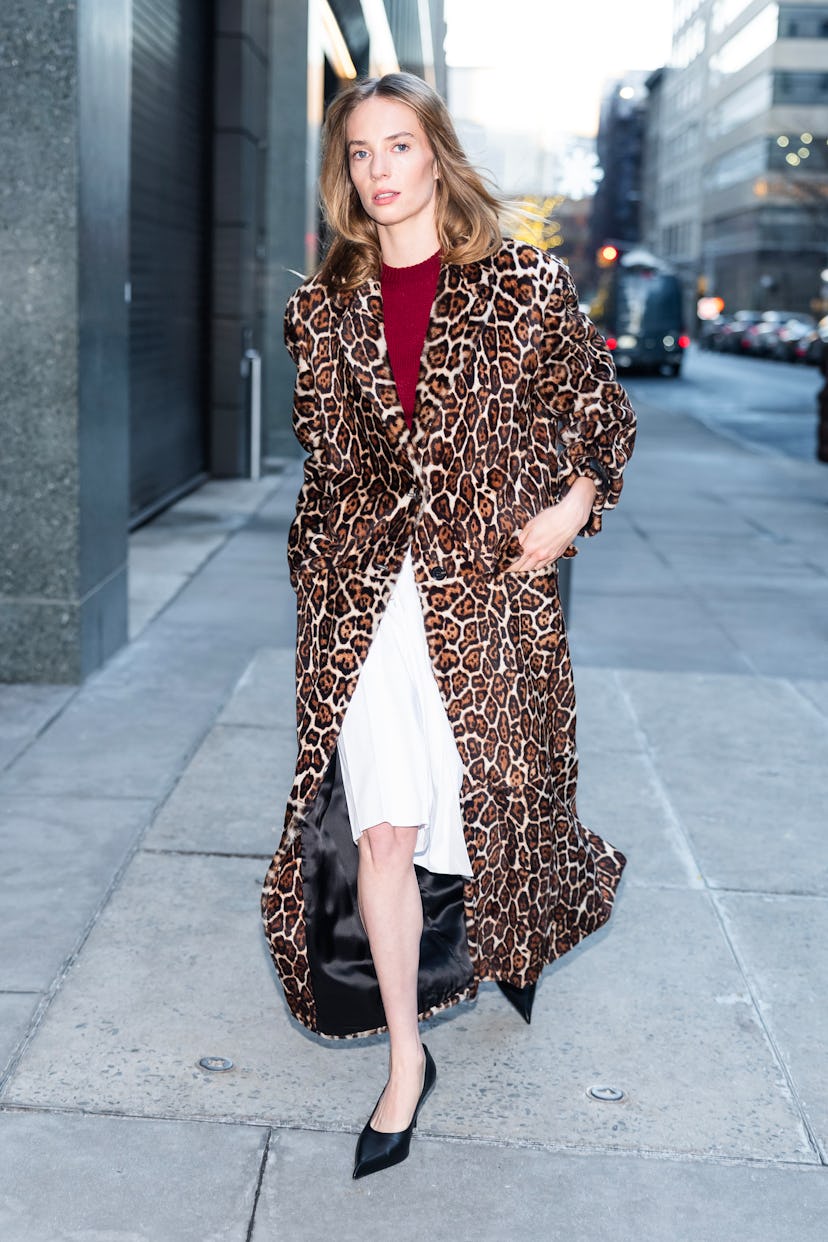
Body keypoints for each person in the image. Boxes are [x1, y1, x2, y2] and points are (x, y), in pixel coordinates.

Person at [261, 71, 636, 1180]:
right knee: (382, 826)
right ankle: (407, 1061)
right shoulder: (322, 310)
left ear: (438, 156)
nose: (379, 171)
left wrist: (571, 507)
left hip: (489, 597)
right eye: (360, 154)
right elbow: (328, 470)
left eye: (398, 146)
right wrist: (330, 574)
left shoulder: (523, 286)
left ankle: (507, 946)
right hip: (370, 603)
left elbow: (599, 418)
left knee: (504, 803)